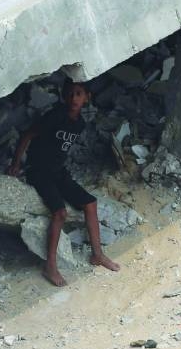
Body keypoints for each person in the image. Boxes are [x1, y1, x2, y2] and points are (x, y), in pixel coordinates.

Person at [7, 79, 120, 287]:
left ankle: (98, 255)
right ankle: (50, 265)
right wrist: (16, 164)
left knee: (90, 203)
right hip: (38, 171)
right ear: (63, 96)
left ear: (87, 97)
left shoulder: (79, 124)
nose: (74, 98)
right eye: (70, 94)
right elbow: (27, 135)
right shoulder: (54, 116)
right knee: (60, 213)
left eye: (78, 94)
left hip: (59, 172)